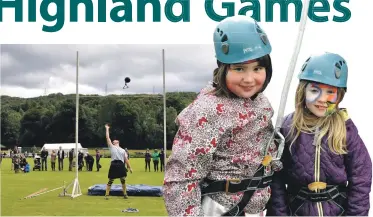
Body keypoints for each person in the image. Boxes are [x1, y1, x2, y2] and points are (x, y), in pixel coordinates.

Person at [163, 15, 282, 216]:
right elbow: (181, 178)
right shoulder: (206, 110)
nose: (249, 79)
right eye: (239, 68)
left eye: (257, 68)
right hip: (221, 209)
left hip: (257, 209)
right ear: (223, 68)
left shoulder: (261, 102)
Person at [267, 52, 372, 216]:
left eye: (330, 91)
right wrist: (280, 214)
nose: (322, 99)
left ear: (340, 95)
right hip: (298, 211)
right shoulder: (287, 127)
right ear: (303, 91)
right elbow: (276, 178)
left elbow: (361, 176)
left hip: (338, 211)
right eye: (315, 90)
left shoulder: (345, 129)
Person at [104, 124, 133, 199]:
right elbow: (107, 137)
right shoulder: (112, 147)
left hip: (119, 164)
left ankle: (125, 194)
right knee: (111, 180)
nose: (114, 141)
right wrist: (107, 129)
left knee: (123, 180)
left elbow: (126, 160)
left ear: (118, 142)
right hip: (116, 164)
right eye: (113, 141)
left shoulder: (123, 150)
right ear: (114, 143)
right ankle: (107, 195)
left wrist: (130, 168)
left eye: (115, 141)